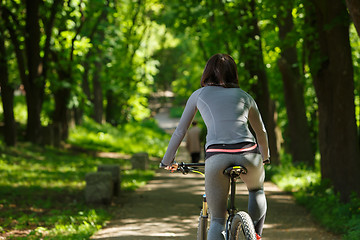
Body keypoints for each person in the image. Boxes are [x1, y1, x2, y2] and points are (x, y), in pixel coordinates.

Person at [160, 53, 270, 240]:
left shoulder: (198, 95)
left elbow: (180, 131)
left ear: (207, 73)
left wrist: (167, 161)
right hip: (249, 154)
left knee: (218, 219)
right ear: (233, 74)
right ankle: (256, 235)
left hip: (217, 157)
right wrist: (265, 156)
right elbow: (261, 132)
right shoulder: (245, 96)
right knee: (256, 190)